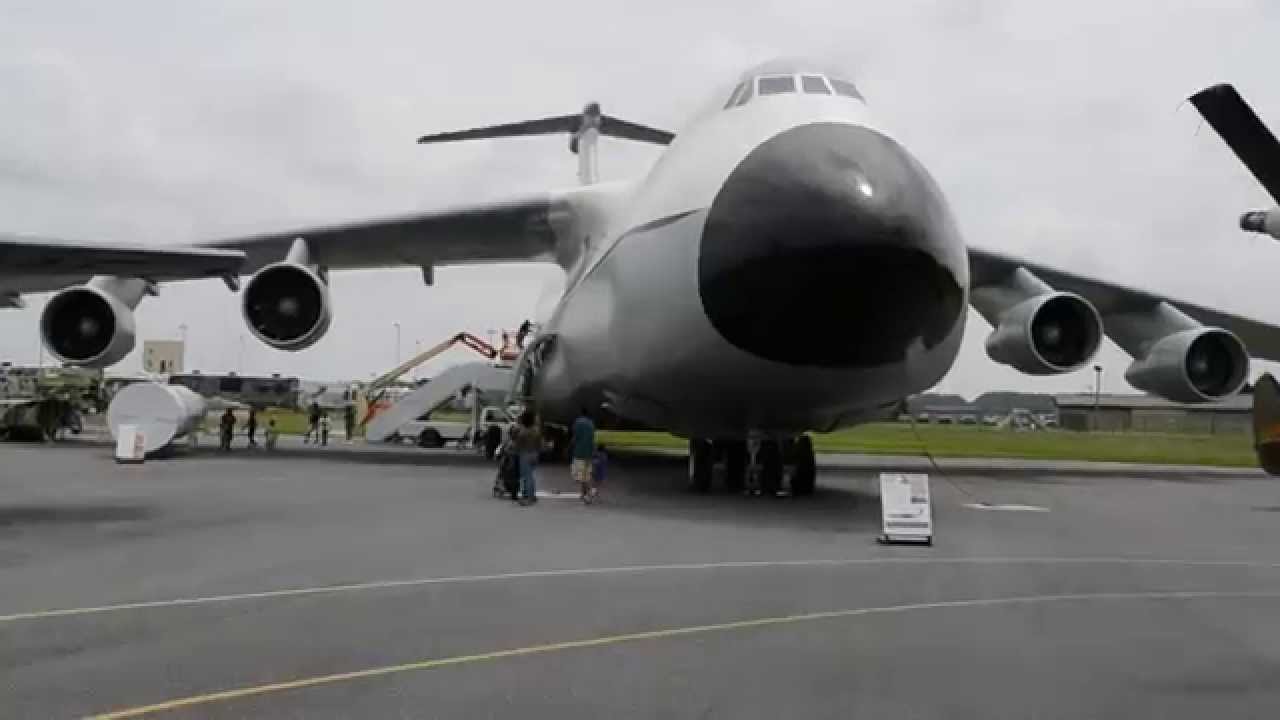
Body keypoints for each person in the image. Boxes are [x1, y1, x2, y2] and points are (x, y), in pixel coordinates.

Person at [512, 410, 541, 505]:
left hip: (525, 455)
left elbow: (517, 446)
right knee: (531, 476)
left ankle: (528, 498)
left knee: (526, 477)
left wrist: (515, 451)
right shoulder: (536, 431)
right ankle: (532, 496)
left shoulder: (523, 432)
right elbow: (539, 444)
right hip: (534, 454)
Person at [570, 407, 597, 503]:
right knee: (586, 474)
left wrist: (570, 446)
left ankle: (589, 492)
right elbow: (593, 439)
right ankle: (583, 493)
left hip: (580, 452)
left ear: (580, 413)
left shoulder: (578, 422)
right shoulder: (591, 423)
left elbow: (575, 437)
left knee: (583, 476)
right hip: (589, 453)